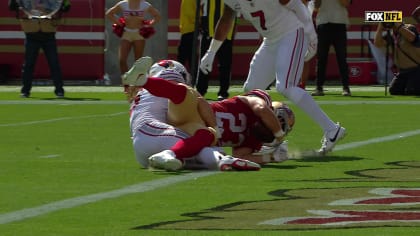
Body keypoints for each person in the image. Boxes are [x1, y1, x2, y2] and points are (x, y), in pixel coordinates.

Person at [199, 0, 346, 155]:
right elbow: (226, 19)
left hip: (292, 31)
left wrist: (311, 35)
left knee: (286, 86)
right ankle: (263, 141)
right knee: (251, 91)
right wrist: (211, 52)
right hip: (271, 40)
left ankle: (332, 129)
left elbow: (296, 5)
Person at [125, 57, 261, 171]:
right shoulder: (171, 83)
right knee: (206, 135)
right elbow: (176, 92)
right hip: (155, 133)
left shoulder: (141, 95)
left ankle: (221, 161)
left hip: (141, 149)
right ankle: (174, 154)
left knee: (194, 151)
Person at [8, 0, 71, 98]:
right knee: (28, 65)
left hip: (49, 34)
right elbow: (12, 7)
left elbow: (66, 8)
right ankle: (25, 91)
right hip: (31, 34)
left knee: (54, 64)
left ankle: (59, 90)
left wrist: (65, 2)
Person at [106, 0, 160, 88]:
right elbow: (109, 13)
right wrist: (119, 23)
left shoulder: (144, 4)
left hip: (139, 34)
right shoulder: (123, 4)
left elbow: (157, 16)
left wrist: (149, 25)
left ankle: (137, 84)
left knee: (138, 61)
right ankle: (126, 83)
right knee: (122, 60)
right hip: (126, 33)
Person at [374, 5, 420, 95]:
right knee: (394, 91)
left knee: (412, 91)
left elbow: (412, 38)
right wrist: (380, 27)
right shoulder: (391, 35)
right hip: (402, 72)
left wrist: (399, 26)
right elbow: (378, 44)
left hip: (415, 70)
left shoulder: (409, 28)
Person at [196, 0, 236, 100]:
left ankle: (223, 92)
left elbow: (234, 13)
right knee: (204, 63)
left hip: (226, 34)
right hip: (208, 31)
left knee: (225, 64)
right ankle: (200, 90)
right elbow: (200, 8)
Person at [311, 0, 351, 96]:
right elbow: (316, 7)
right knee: (321, 58)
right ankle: (319, 87)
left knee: (342, 57)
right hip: (323, 23)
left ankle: (346, 88)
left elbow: (346, 3)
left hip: (339, 23)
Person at [177, 0, 197, 71]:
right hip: (191, 29)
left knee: (184, 56)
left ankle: (180, 75)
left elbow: (190, 13)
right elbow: (191, 14)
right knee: (191, 57)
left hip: (189, 29)